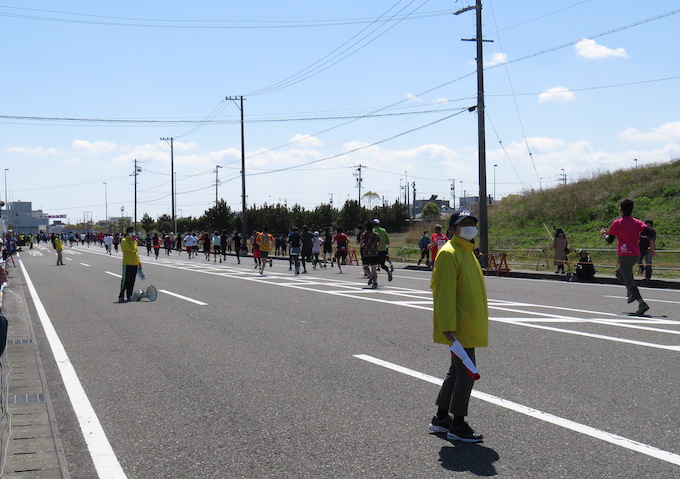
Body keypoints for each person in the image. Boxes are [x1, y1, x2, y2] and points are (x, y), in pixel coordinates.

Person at [428, 209, 488, 442]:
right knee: (466, 373)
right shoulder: (449, 253)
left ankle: (442, 417)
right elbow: (443, 294)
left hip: (468, 323)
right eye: (463, 223)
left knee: (457, 372)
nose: (469, 227)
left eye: (472, 222)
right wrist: (448, 326)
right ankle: (458, 423)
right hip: (459, 326)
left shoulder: (468, 252)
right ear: (452, 229)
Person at [600, 199, 649, 316]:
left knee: (628, 280)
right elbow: (649, 231)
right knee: (619, 273)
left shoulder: (617, 223)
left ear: (621, 210)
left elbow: (610, 240)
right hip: (635, 254)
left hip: (625, 254)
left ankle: (641, 303)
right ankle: (630, 292)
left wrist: (604, 234)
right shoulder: (637, 222)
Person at [118, 227, 142, 302]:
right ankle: (121, 295)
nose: (133, 233)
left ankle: (129, 295)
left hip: (134, 263)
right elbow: (130, 250)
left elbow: (136, 253)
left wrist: (139, 262)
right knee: (125, 280)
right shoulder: (124, 241)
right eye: (131, 232)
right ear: (127, 233)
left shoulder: (134, 242)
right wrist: (132, 241)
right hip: (127, 263)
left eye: (133, 231)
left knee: (132, 280)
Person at [360, 221, 381, 289]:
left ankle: (370, 275)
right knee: (374, 268)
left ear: (366, 227)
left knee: (365, 267)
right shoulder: (376, 234)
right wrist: (375, 246)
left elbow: (361, 243)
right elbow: (379, 243)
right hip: (374, 253)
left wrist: (365, 246)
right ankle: (375, 282)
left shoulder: (363, 234)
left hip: (366, 253)